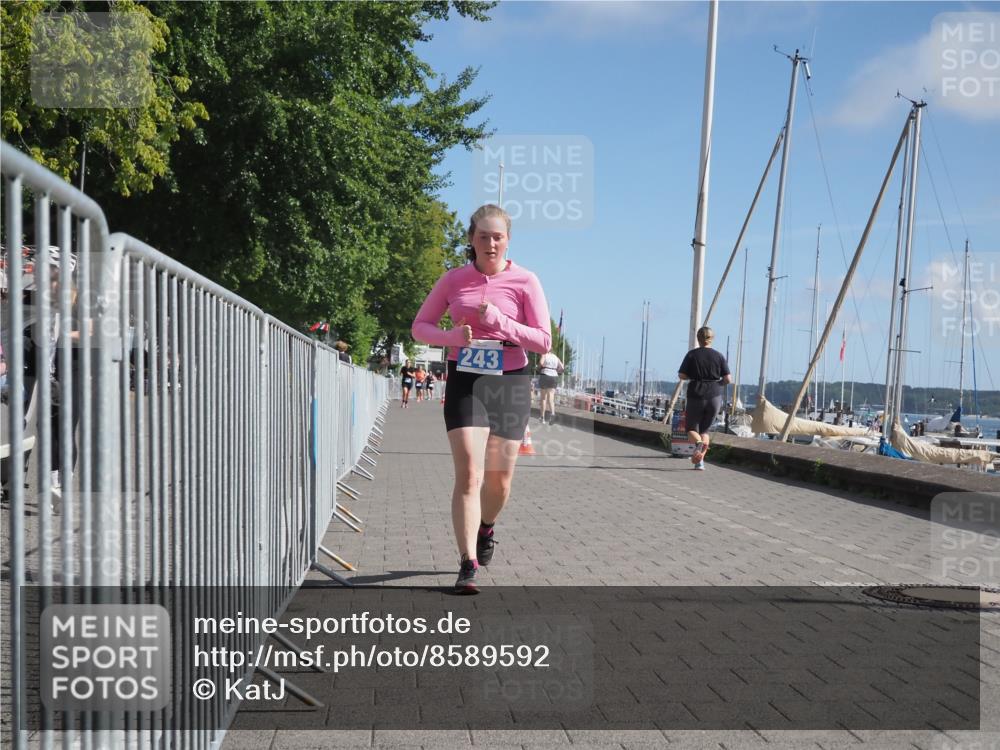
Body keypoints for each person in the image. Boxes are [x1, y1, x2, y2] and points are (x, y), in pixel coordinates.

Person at [412, 204, 551, 593]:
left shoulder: (526, 281)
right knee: (470, 473)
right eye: (483, 236)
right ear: (471, 239)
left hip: (510, 379)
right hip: (466, 377)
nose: (491, 243)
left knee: (499, 481)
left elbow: (543, 340)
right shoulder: (454, 280)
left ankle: (486, 528)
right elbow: (419, 328)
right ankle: (467, 562)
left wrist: (500, 323)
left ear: (508, 240)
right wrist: (452, 338)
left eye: (498, 237)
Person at [677, 326, 731, 471]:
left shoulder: (692, 355)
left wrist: (692, 377)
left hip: (696, 393)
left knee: (690, 429)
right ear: (711, 339)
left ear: (698, 338)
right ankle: (699, 462)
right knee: (705, 430)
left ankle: (699, 444)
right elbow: (727, 379)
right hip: (714, 395)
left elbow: (681, 375)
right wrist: (717, 384)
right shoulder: (719, 356)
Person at [537, 349, 563, 425]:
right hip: (554, 376)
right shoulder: (556, 357)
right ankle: (552, 414)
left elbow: (541, 363)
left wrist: (538, 368)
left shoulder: (544, 355)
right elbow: (562, 367)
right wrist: (556, 370)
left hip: (545, 374)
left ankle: (542, 418)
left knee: (543, 398)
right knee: (551, 397)